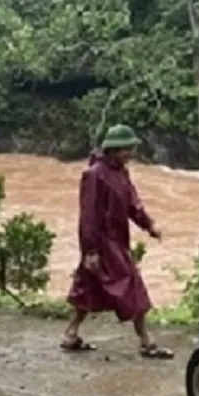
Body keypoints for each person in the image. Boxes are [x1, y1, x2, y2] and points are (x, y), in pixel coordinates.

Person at [61, 124, 172, 359]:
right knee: (132, 284)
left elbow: (132, 204)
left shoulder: (121, 172)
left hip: (117, 240)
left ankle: (71, 333)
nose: (130, 154)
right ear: (113, 150)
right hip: (102, 243)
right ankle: (146, 340)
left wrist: (149, 224)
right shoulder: (93, 175)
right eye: (126, 149)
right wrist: (90, 250)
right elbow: (88, 215)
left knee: (89, 287)